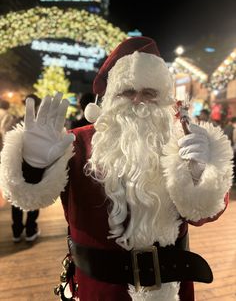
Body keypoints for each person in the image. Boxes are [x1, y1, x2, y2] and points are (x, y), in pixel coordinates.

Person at [0, 37, 233, 301]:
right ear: (110, 97)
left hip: (173, 287)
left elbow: (204, 213)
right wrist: (33, 166)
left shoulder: (182, 141)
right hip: (98, 289)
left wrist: (201, 173)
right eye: (127, 91)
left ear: (164, 100)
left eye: (149, 93)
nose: (138, 101)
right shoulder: (74, 142)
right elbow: (32, 197)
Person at [11, 94, 42, 243]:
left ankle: (16, 231)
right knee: (32, 197)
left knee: (16, 197)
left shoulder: (16, 121)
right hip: (35, 166)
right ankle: (30, 229)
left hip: (17, 163)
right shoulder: (40, 124)